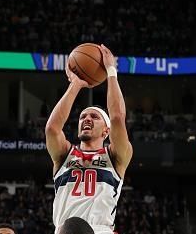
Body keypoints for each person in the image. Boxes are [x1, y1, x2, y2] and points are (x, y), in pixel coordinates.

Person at [45, 44, 133, 234]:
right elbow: (52, 128)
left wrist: (111, 71)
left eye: (94, 117)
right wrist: (75, 85)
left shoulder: (115, 155)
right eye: (83, 117)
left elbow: (117, 117)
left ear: (106, 131)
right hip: (65, 230)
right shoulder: (64, 154)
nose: (86, 119)